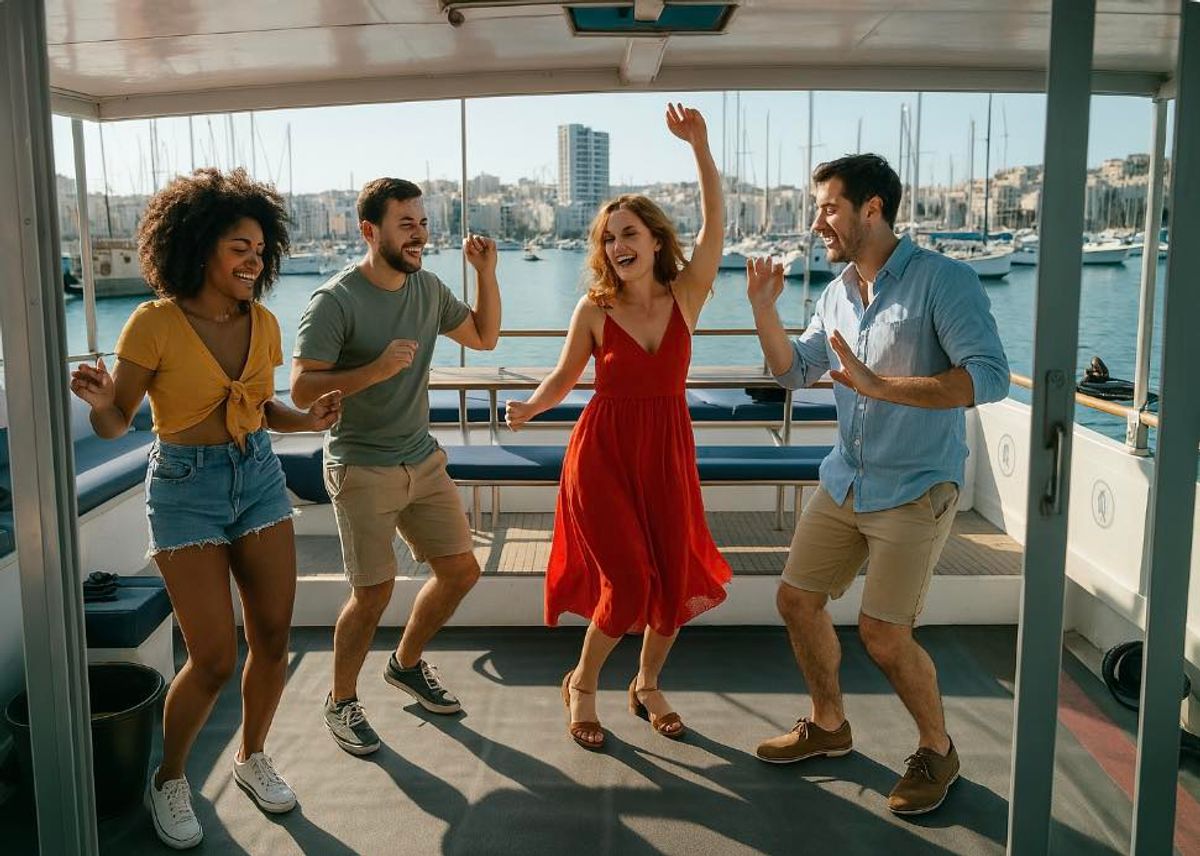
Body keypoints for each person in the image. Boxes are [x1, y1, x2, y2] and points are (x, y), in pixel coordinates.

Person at [70, 168, 342, 849]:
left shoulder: (264, 323)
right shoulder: (155, 323)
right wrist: (102, 403)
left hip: (257, 476)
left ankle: (252, 757)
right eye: (238, 248)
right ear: (197, 247)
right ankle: (169, 778)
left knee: (273, 637)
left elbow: (264, 407)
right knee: (215, 657)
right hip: (184, 489)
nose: (253, 261)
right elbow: (117, 422)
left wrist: (307, 422)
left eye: (260, 250)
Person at [747, 154, 1009, 815]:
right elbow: (793, 372)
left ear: (872, 209)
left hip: (916, 486)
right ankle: (829, 725)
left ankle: (937, 750)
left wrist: (879, 385)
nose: (817, 222)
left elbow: (989, 376)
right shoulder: (836, 292)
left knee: (884, 635)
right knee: (795, 600)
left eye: (828, 208)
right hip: (847, 480)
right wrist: (763, 311)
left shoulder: (944, 280)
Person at [505, 104, 731, 750]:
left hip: (666, 453)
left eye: (628, 233)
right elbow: (563, 378)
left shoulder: (687, 295)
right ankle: (582, 683)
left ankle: (647, 684)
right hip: (601, 456)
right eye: (607, 238)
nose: (616, 246)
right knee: (628, 584)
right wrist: (530, 408)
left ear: (655, 240)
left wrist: (700, 146)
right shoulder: (595, 309)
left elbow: (716, 224)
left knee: (674, 578)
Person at [291, 178, 500, 756]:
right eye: (406, 224)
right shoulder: (334, 300)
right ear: (370, 231)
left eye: (423, 223)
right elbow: (302, 389)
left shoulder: (428, 289)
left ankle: (405, 664)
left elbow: (484, 337)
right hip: (360, 465)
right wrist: (374, 371)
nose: (419, 235)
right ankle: (340, 701)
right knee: (373, 592)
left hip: (421, 458)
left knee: (461, 571)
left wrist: (485, 274)